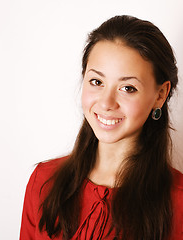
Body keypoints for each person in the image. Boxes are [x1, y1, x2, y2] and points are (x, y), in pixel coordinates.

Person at [20, 15, 183, 240]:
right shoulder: (43, 182)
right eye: (97, 82)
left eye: (128, 88)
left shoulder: (178, 202)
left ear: (160, 94)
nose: (106, 103)